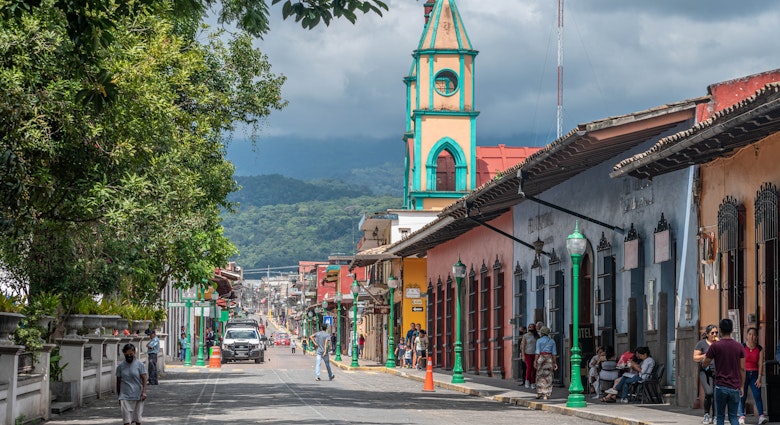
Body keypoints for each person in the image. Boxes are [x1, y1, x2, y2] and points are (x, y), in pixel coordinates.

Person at [702, 318, 745, 425]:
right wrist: (742, 386)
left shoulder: (715, 346)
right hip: (735, 386)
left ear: (720, 330)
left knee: (720, 417)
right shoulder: (739, 346)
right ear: (731, 330)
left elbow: (705, 363)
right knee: (733, 417)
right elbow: (743, 368)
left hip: (720, 386)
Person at [739, 327, 767, 425]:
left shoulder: (759, 349)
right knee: (742, 395)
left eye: (754, 334)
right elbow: (739, 363)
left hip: (755, 374)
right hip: (744, 373)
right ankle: (741, 416)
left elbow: (760, 364)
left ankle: (761, 416)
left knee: (757, 395)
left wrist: (759, 378)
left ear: (757, 337)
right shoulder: (742, 347)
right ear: (746, 336)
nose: (752, 336)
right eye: (750, 334)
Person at [116, 343, 147, 425]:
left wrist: (144, 392)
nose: (129, 356)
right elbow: (118, 381)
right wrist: (119, 396)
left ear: (134, 353)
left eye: (131, 354)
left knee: (137, 419)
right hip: (124, 395)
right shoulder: (120, 366)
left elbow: (144, 379)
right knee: (126, 420)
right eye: (127, 354)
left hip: (137, 394)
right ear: (124, 354)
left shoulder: (140, 365)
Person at [695, 324, 719, 424]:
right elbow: (695, 357)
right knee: (709, 392)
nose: (714, 334)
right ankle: (706, 414)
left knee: (716, 394)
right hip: (704, 371)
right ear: (707, 334)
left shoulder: (718, 344)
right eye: (712, 333)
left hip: (716, 372)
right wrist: (706, 355)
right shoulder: (701, 344)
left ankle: (715, 416)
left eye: (716, 333)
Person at [534, 326, 558, 400]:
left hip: (541, 357)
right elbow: (554, 353)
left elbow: (537, 352)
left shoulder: (539, 341)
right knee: (548, 375)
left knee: (539, 375)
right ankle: (546, 394)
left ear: (542, 333)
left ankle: (539, 392)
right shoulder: (552, 341)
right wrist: (555, 363)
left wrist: (535, 361)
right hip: (549, 358)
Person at [521, 322, 539, 389]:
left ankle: (533, 382)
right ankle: (527, 380)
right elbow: (523, 346)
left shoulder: (536, 336)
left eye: (532, 327)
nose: (530, 328)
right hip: (527, 353)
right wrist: (523, 355)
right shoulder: (525, 336)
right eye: (529, 327)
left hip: (535, 354)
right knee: (529, 367)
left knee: (534, 369)